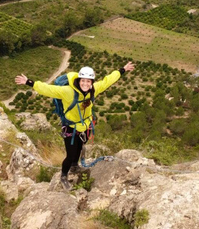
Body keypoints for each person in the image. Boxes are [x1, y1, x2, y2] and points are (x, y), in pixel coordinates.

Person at [15, 61, 135, 190]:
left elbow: (108, 80)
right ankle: (64, 175)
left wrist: (123, 69)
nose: (85, 83)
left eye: (88, 81)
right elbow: (48, 89)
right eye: (83, 80)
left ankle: (75, 166)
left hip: (86, 126)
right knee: (71, 154)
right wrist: (29, 82)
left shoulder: (94, 89)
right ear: (79, 80)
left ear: (91, 82)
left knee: (79, 148)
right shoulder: (68, 91)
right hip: (71, 128)